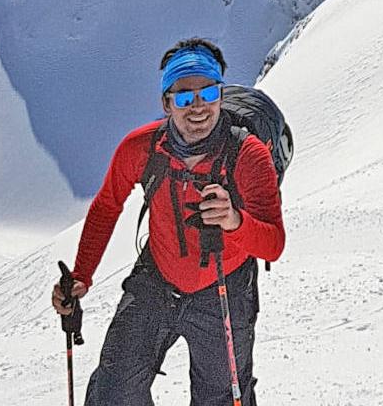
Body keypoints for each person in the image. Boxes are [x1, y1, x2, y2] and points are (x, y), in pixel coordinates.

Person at [51, 38, 285, 405]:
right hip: (156, 280)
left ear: (220, 95)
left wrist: (235, 222)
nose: (197, 108)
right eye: (182, 97)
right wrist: (81, 276)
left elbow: (273, 243)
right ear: (166, 103)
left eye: (207, 93)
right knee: (114, 395)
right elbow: (107, 205)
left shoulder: (249, 155)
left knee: (222, 399)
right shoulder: (142, 148)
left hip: (226, 285)